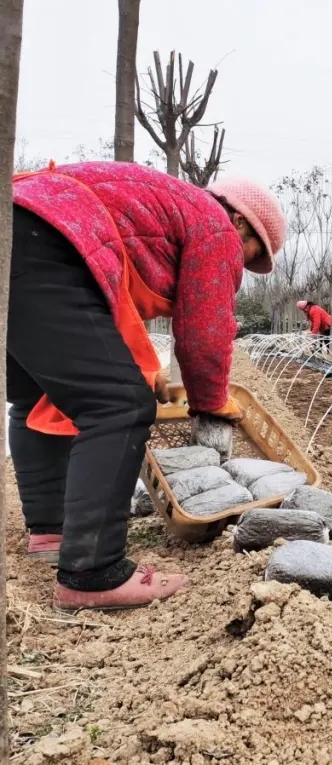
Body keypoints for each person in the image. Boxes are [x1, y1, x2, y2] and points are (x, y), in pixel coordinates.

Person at [10, 161, 286, 610]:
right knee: (120, 407)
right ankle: (92, 573)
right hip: (48, 240)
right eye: (250, 253)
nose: (241, 265)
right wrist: (210, 402)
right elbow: (205, 334)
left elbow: (103, 310)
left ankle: (52, 532)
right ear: (239, 220)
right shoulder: (215, 226)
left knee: (38, 395)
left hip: (19, 224)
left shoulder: (165, 204)